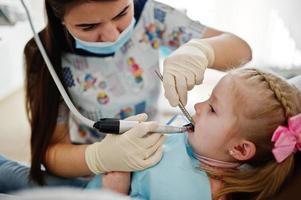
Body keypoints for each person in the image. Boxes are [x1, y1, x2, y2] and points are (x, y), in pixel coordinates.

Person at [0, 0, 252, 191]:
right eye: (88, 26)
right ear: (60, 18)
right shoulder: (43, 55)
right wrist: (99, 157)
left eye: (122, 13)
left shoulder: (153, 17)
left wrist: (202, 50)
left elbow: (242, 50)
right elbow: (51, 153)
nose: (112, 34)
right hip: (86, 166)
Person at [86, 68, 301, 200]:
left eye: (213, 109)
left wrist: (113, 193)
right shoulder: (199, 139)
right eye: (208, 98)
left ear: (240, 149)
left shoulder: (190, 194)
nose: (198, 106)